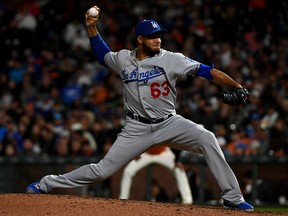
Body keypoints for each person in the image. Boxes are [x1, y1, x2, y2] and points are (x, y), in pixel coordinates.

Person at [25, 6, 254, 211]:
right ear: (140, 39)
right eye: (153, 37)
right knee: (101, 171)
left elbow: (207, 71)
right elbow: (102, 54)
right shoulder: (124, 58)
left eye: (160, 36)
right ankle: (45, 183)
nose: (158, 40)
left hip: (169, 123)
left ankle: (232, 198)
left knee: (207, 138)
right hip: (136, 128)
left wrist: (236, 85)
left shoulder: (172, 59)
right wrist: (92, 28)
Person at [119, 146, 193, 204]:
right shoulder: (144, 126)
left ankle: (187, 200)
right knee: (128, 171)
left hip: (164, 152)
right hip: (146, 153)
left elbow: (175, 140)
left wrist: (177, 160)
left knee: (179, 170)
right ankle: (123, 198)